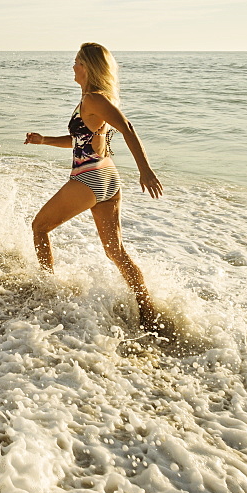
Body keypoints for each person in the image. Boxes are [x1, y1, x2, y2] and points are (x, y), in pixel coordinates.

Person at [24, 43, 164, 331]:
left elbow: (128, 128)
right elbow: (79, 141)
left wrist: (146, 170)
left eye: (76, 62)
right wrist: (43, 140)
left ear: (87, 67)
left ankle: (47, 289)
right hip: (106, 178)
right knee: (115, 251)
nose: (72, 66)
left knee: (40, 227)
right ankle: (148, 310)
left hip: (89, 178)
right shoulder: (89, 100)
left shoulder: (94, 99)